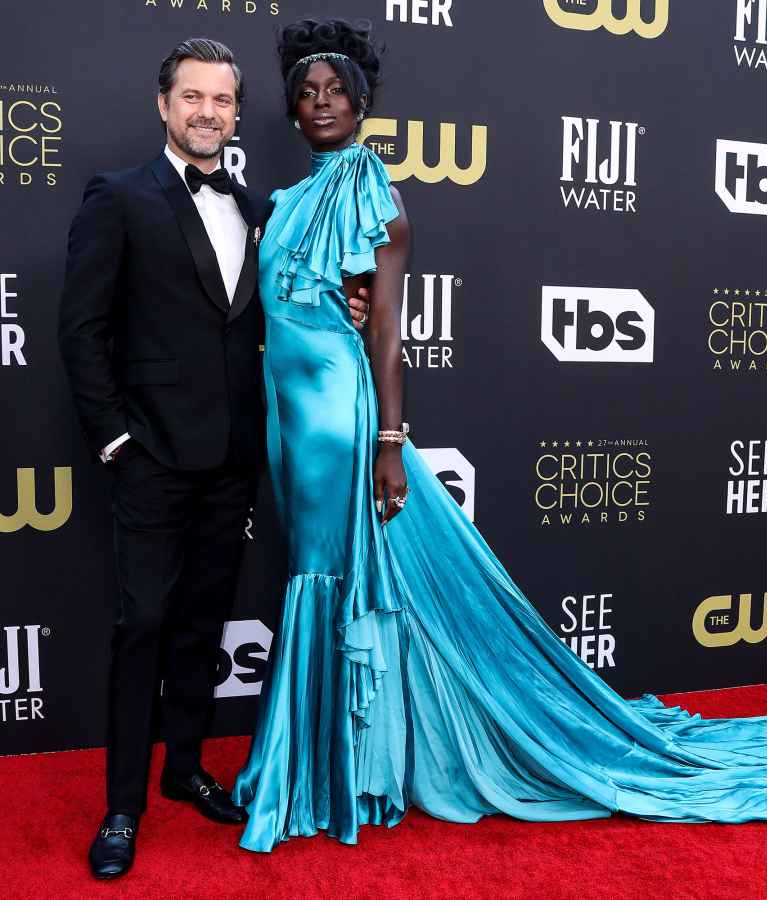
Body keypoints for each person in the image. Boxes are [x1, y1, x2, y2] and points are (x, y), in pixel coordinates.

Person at [233, 18, 767, 851]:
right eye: (308, 93)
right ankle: (339, 754)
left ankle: (314, 771)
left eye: (338, 92)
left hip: (336, 418)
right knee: (316, 570)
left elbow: (385, 329)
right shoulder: (284, 202)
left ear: (363, 106)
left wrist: (391, 441)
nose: (322, 103)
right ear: (291, 110)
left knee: (327, 577)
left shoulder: (378, 196)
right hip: (283, 419)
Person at [57, 37, 371, 879]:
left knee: (202, 624)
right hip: (151, 459)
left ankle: (186, 768)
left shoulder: (259, 208)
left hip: (235, 461)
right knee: (142, 628)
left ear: (236, 113)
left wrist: (357, 297)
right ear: (164, 106)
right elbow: (81, 331)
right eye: (191, 96)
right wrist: (116, 441)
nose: (206, 111)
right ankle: (122, 806)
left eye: (221, 100)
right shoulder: (119, 198)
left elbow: (305, 303)